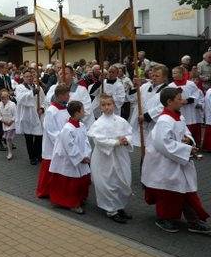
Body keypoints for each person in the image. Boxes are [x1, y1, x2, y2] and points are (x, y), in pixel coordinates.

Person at [141, 88, 210, 234]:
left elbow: (186, 133)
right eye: (179, 98)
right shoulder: (164, 120)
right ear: (169, 102)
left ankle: (194, 221)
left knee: (187, 191)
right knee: (169, 193)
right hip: (166, 164)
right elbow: (163, 143)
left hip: (179, 161)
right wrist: (186, 150)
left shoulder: (179, 117)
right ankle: (165, 218)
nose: (182, 100)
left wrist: (189, 141)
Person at [88, 94, 133, 223]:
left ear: (113, 105)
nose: (107, 107)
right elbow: (99, 140)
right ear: (100, 107)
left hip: (120, 156)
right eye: (104, 105)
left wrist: (126, 140)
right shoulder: (98, 123)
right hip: (105, 157)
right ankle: (111, 209)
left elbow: (129, 133)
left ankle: (120, 206)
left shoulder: (121, 121)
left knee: (122, 180)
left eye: (109, 104)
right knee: (108, 182)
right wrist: (116, 143)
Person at [48, 101, 92, 214]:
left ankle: (80, 199)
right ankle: (72, 203)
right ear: (77, 113)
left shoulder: (81, 125)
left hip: (82, 158)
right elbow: (70, 147)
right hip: (70, 161)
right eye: (82, 110)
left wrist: (87, 154)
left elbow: (86, 141)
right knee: (71, 183)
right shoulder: (68, 129)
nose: (84, 112)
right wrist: (81, 158)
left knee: (83, 180)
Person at [36, 84, 70, 198]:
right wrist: (61, 142)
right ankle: (44, 191)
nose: (69, 96)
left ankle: (55, 190)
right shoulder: (51, 110)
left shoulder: (66, 108)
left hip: (63, 142)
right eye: (66, 95)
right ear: (60, 96)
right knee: (49, 169)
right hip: (53, 144)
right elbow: (51, 130)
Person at [128, 64, 168, 147]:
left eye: (157, 76)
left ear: (164, 77)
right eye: (153, 75)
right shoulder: (145, 86)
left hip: (153, 124)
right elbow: (132, 98)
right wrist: (135, 86)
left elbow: (163, 107)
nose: (154, 78)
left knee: (152, 149)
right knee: (141, 147)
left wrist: (146, 116)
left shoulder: (167, 90)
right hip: (140, 123)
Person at [15, 69, 46, 165]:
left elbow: (44, 100)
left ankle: (38, 154)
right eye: (27, 76)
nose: (29, 78)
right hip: (27, 116)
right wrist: (32, 92)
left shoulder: (38, 87)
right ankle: (31, 157)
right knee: (29, 138)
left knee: (39, 136)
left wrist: (42, 108)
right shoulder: (20, 87)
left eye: (30, 76)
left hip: (37, 115)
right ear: (23, 78)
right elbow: (21, 99)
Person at [168, 66, 203, 144]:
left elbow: (196, 94)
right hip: (179, 109)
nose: (173, 75)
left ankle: (192, 145)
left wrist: (187, 100)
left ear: (181, 74)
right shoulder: (171, 86)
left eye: (175, 73)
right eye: (172, 73)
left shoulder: (190, 84)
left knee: (190, 127)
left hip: (189, 109)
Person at [0, 89, 17, 160]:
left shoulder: (12, 104)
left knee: (8, 138)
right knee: (8, 139)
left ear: (8, 97)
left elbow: (15, 115)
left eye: (6, 97)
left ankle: (10, 152)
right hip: (5, 124)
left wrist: (11, 121)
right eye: (2, 97)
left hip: (11, 124)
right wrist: (3, 121)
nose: (4, 99)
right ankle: (10, 148)